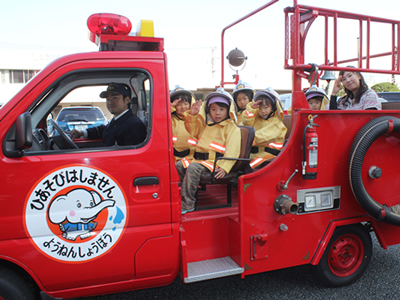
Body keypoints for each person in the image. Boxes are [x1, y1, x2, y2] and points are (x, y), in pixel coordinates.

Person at [176, 88, 241, 214]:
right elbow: (193, 130)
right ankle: (190, 194)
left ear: (229, 110)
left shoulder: (232, 128)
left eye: (222, 109)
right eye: (213, 109)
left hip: (214, 162)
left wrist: (224, 167)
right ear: (208, 110)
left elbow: (233, 150)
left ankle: (188, 204)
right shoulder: (207, 125)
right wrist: (193, 115)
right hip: (200, 160)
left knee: (193, 168)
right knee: (179, 165)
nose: (217, 113)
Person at [69, 82, 147, 146]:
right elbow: (105, 130)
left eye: (115, 98)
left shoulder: (133, 125)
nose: (110, 102)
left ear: (126, 100)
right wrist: (81, 133)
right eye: (107, 99)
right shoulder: (118, 121)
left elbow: (130, 157)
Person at [242, 87, 287, 169]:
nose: (262, 111)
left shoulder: (277, 123)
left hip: (270, 156)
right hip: (254, 153)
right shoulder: (256, 118)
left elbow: (263, 136)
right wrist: (251, 110)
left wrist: (243, 139)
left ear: (274, 107)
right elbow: (246, 125)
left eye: (266, 107)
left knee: (248, 166)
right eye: (260, 108)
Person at [170, 85, 196, 167]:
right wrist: (169, 107)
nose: (183, 107)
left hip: (191, 159)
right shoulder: (170, 119)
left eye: (186, 103)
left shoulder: (195, 119)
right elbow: (161, 117)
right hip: (172, 158)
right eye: (178, 104)